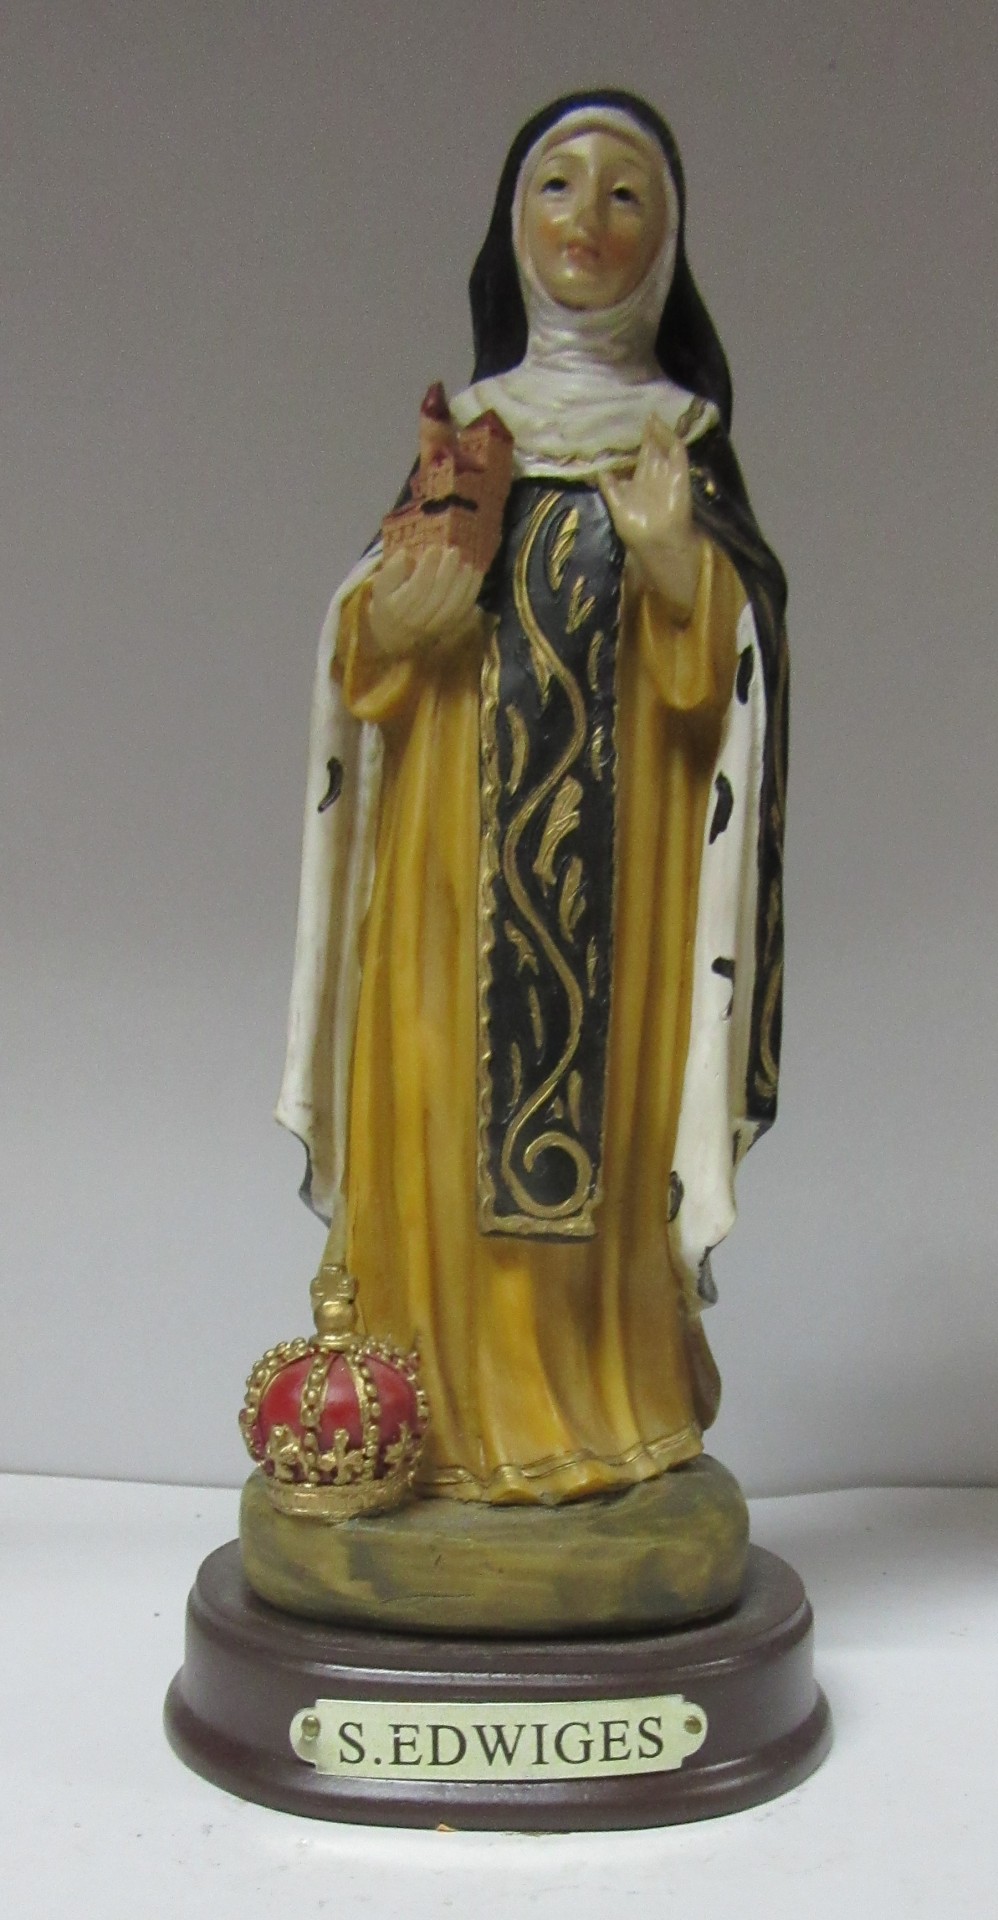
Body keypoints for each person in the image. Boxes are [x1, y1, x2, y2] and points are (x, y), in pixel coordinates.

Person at [277, 90, 788, 1505]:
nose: (587, 220)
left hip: (624, 882)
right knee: (440, 1106)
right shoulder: (470, 436)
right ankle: (440, 1413)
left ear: (665, 242)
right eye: (560, 186)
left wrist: (683, 575)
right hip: (447, 864)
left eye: (626, 194)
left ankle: (602, 1412)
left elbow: (731, 686)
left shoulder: (678, 447)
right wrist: (396, 627)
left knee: (602, 1136)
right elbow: (369, 649)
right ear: (512, 228)